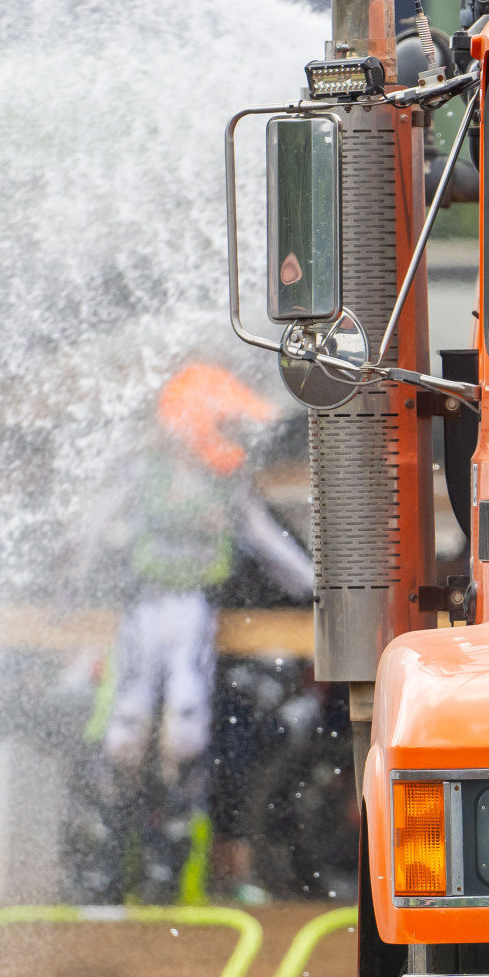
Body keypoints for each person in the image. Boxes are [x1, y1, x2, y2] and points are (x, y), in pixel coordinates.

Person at [95, 364, 313, 904]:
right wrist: (67, 589)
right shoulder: (144, 474)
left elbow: (272, 546)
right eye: (225, 424)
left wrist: (323, 588)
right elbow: (93, 529)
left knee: (186, 734)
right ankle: (109, 861)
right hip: (144, 608)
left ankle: (168, 863)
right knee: (123, 735)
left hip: (193, 610)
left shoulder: (227, 483)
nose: (234, 437)